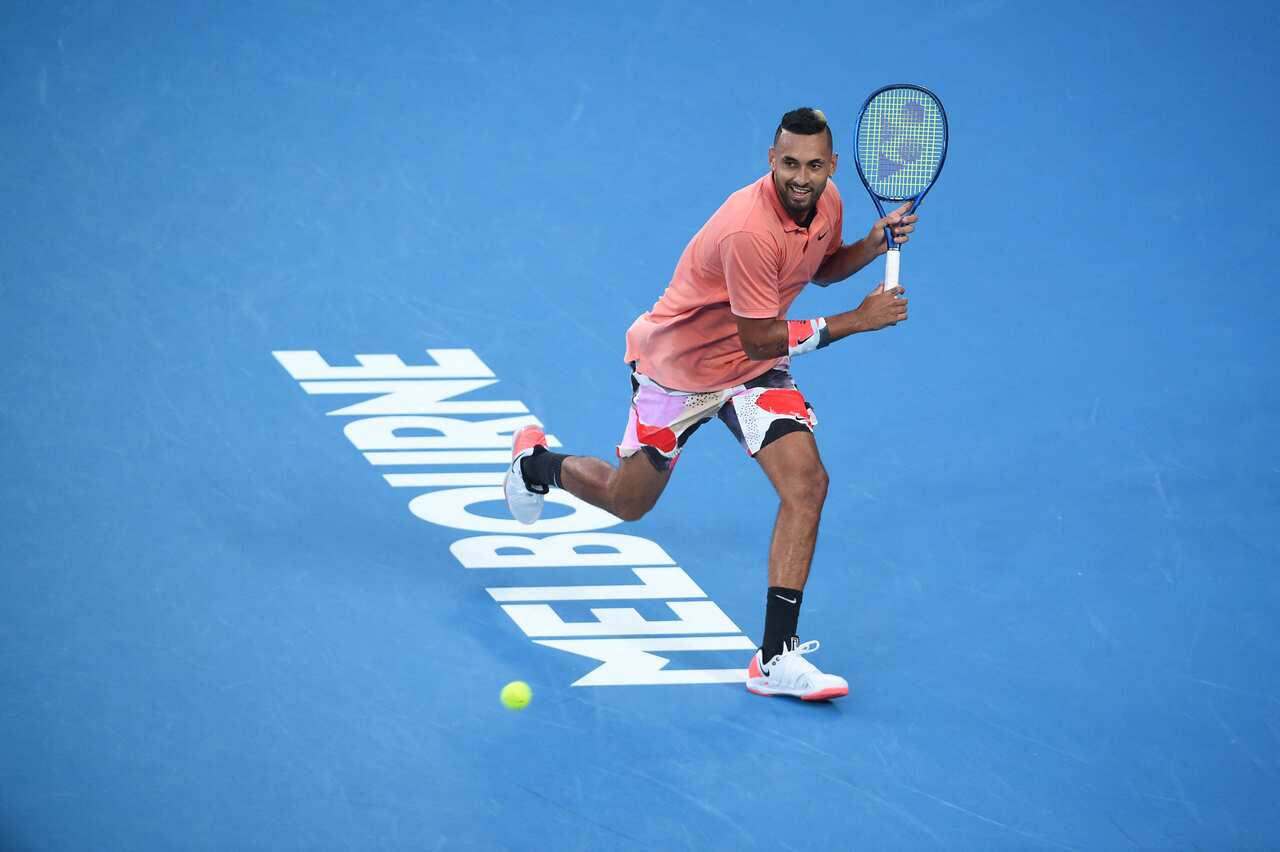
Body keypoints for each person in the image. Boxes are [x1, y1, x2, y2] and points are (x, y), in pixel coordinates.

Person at [504, 107, 918, 701]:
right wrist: (857, 321)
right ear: (770, 161)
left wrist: (871, 245)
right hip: (680, 371)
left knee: (807, 485)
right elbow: (761, 334)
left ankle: (775, 658)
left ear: (829, 165)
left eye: (814, 165)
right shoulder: (747, 229)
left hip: (750, 372)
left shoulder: (826, 203)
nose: (801, 177)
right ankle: (535, 465)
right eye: (789, 164)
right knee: (629, 503)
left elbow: (819, 269)